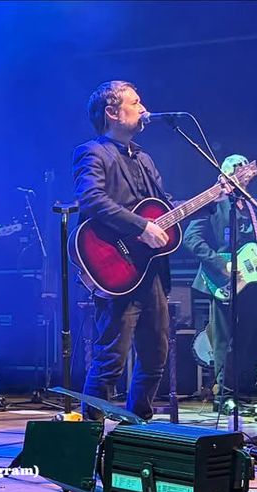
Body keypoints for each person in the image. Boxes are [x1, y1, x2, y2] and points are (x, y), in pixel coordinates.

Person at [74, 81, 172, 421]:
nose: (144, 107)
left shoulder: (144, 158)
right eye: (136, 101)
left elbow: (165, 209)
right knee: (110, 360)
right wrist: (140, 227)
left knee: (155, 357)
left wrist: (209, 201)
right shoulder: (93, 152)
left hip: (150, 273)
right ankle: (87, 439)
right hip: (115, 270)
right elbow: (91, 199)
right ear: (112, 113)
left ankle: (137, 433)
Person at [182, 154, 257, 409]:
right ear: (225, 173)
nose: (244, 170)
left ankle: (238, 391)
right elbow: (192, 239)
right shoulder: (212, 203)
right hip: (221, 279)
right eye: (237, 167)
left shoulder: (256, 205)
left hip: (250, 279)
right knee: (225, 339)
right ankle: (223, 396)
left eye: (246, 166)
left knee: (248, 337)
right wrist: (223, 265)